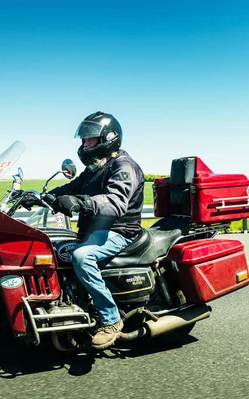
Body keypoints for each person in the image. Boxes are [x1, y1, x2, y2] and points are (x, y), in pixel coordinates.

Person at [47, 111, 145, 350]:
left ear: (107, 138)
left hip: (119, 230)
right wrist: (44, 196)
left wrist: (81, 203)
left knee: (82, 256)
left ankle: (111, 320)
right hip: (97, 227)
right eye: (83, 139)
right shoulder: (95, 167)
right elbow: (73, 186)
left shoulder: (124, 166)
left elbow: (115, 202)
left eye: (89, 139)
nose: (84, 144)